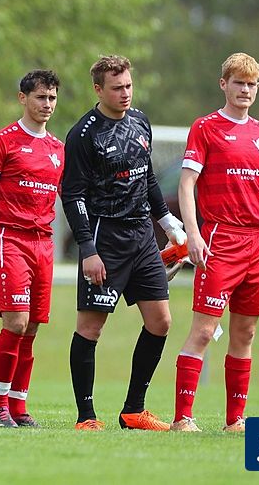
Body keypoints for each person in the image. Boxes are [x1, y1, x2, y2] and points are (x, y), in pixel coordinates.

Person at [61, 55, 186, 431]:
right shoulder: (84, 134)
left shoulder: (140, 121)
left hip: (143, 237)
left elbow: (148, 178)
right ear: (98, 89)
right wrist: (88, 249)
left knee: (161, 322)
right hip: (105, 238)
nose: (125, 93)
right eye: (117, 88)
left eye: (129, 85)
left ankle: (133, 410)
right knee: (91, 327)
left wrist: (168, 223)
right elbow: (72, 194)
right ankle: (86, 416)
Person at [170, 53, 259, 433]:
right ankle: (182, 418)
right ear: (224, 84)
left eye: (251, 84)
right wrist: (193, 234)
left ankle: (235, 421)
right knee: (204, 331)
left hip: (258, 244)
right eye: (239, 82)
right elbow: (186, 184)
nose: (245, 90)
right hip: (221, 239)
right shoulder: (205, 128)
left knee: (245, 333)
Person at [0, 70, 64, 428]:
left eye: (52, 98)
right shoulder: (3, 141)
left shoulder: (57, 148)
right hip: (10, 238)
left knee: (33, 326)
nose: (47, 104)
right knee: (16, 321)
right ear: (23, 98)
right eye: (41, 97)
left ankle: (19, 406)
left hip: (44, 243)